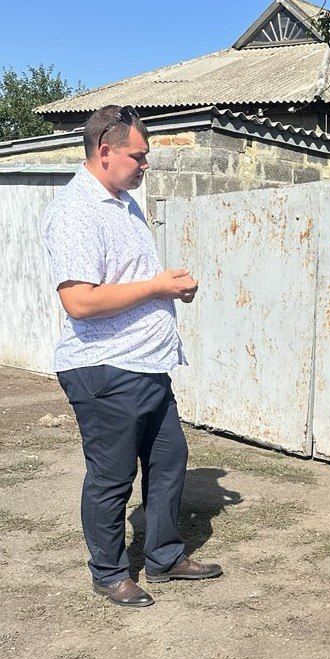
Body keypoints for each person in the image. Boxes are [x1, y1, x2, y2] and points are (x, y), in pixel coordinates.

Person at [43, 105, 222, 608]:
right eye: (138, 156)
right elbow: (79, 300)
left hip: (146, 364)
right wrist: (156, 287)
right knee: (113, 476)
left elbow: (130, 283)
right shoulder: (76, 211)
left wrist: (169, 293)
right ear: (105, 151)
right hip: (103, 366)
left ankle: (164, 556)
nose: (146, 166)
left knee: (169, 460)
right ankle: (109, 573)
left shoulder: (124, 204)